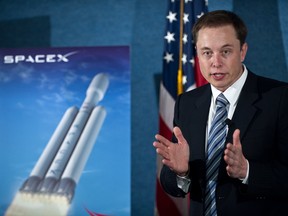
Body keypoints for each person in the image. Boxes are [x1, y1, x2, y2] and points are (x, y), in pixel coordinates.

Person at [153, 10, 288, 216]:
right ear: (197, 54)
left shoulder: (279, 98)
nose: (215, 62)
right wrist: (181, 173)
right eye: (207, 53)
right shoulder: (187, 103)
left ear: (242, 51)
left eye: (225, 52)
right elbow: (172, 185)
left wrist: (248, 171)